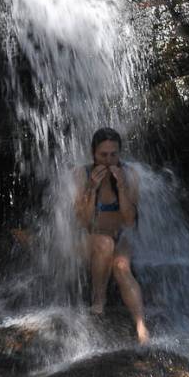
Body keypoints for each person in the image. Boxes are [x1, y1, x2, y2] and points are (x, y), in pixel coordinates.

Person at [74, 128, 150, 344]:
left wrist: (122, 188)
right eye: (103, 155)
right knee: (104, 243)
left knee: (121, 267)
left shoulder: (130, 175)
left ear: (119, 154)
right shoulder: (81, 174)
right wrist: (90, 189)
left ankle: (141, 325)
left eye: (113, 155)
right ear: (93, 153)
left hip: (120, 236)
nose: (108, 161)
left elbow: (128, 221)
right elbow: (83, 222)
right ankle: (99, 301)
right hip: (89, 239)